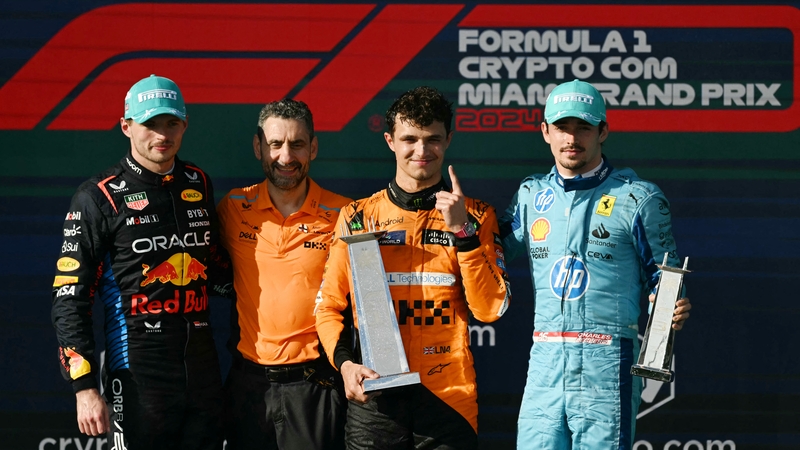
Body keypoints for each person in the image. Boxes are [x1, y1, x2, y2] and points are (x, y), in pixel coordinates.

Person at [499, 79, 692, 449]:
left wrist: (673, 304)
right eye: (562, 128)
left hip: (607, 363)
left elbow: (666, 278)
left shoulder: (639, 196)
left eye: (583, 127)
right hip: (545, 359)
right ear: (545, 132)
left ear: (603, 131)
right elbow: (490, 256)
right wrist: (462, 227)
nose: (572, 138)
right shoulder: (530, 195)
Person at [315, 86, 511, 449]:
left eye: (432, 139)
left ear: (448, 139)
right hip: (374, 396)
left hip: (449, 397)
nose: (421, 151)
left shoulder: (476, 216)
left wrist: (461, 232)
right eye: (410, 139)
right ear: (390, 140)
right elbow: (328, 307)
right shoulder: (358, 217)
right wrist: (345, 366)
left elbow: (489, 310)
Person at [51, 74, 224, 449]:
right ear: (126, 127)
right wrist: (83, 388)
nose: (162, 134)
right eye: (150, 124)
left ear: (185, 125)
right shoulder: (98, 197)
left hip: (203, 370)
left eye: (171, 123)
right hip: (138, 374)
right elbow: (70, 298)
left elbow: (218, 269)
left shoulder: (199, 183)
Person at [217, 99, 351, 449]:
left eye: (297, 144)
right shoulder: (232, 207)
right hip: (247, 386)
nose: (286, 157)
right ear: (258, 146)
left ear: (314, 148)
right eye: (276, 144)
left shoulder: (344, 214)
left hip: (315, 386)